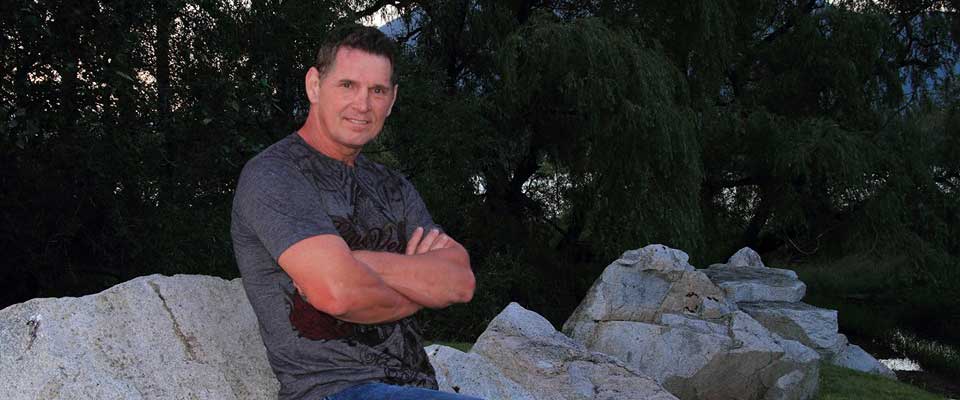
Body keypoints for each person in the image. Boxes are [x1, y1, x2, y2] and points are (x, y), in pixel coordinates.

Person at [231, 24, 479, 400]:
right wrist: (421, 290)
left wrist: (359, 262)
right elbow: (338, 293)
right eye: (347, 85)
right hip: (337, 389)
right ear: (314, 86)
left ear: (391, 100)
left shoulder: (393, 186)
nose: (363, 105)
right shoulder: (275, 174)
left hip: (418, 388)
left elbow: (460, 282)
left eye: (377, 91)